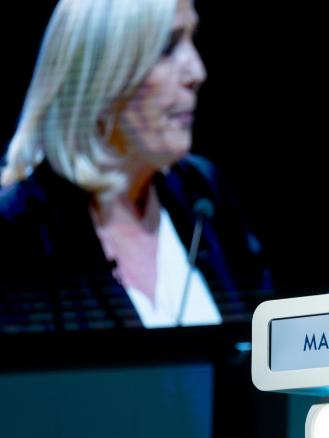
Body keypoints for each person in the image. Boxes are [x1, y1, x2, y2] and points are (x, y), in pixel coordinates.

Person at [0, 0, 267, 329]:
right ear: (101, 75)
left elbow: (265, 352)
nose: (197, 72)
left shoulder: (202, 191)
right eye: (168, 48)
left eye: (191, 40)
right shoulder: (20, 235)